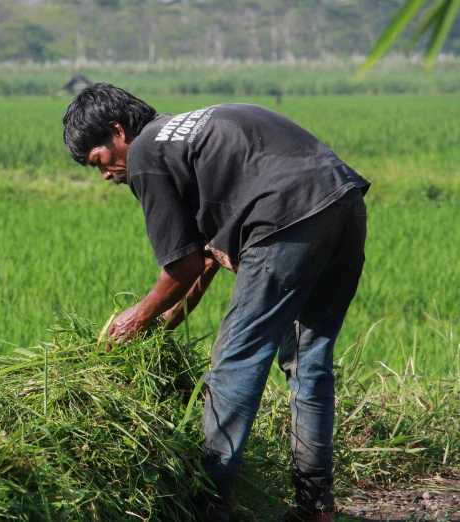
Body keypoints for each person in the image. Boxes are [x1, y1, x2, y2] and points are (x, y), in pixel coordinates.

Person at [62, 83, 369, 522]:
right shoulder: (186, 135)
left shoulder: (147, 152)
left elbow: (181, 267)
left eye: (99, 161)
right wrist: (161, 327)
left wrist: (135, 319)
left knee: (232, 366)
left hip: (285, 216)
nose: (107, 175)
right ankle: (316, 509)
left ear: (117, 131)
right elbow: (204, 262)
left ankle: (209, 507)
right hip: (344, 201)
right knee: (308, 360)